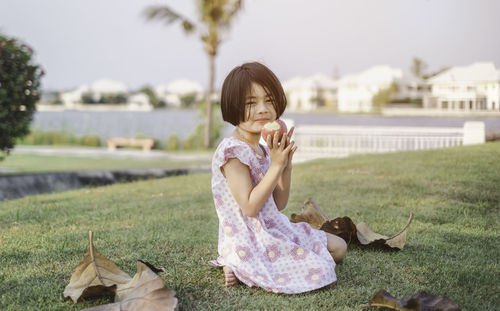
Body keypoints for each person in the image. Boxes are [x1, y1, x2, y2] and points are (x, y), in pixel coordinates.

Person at [209, 62, 347, 294]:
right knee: (321, 270)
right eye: (251, 103)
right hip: (250, 238)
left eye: (269, 100)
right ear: (233, 106)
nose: (263, 109)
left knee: (339, 247)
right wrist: (276, 165)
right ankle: (235, 261)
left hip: (274, 227)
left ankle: (240, 264)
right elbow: (251, 207)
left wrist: (286, 165)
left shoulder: (261, 149)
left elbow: (279, 203)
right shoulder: (233, 152)